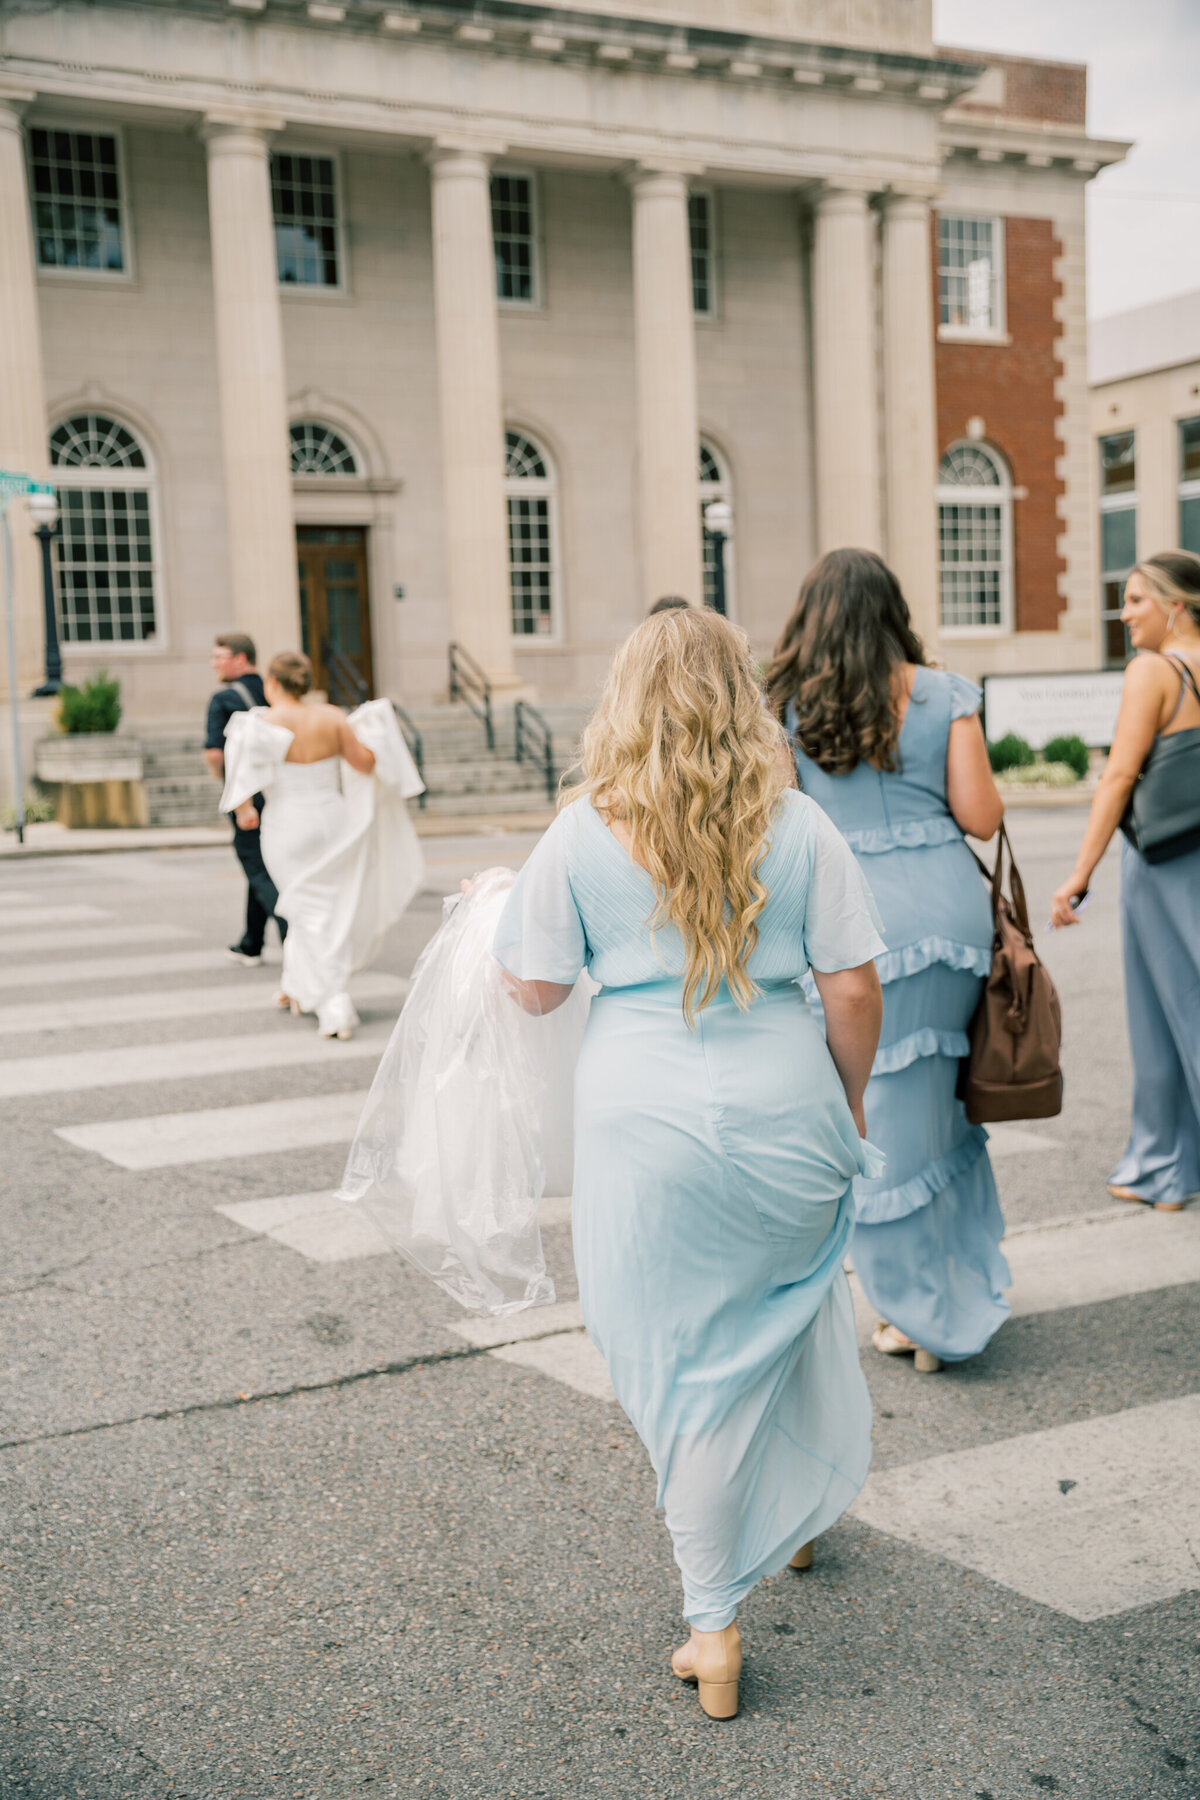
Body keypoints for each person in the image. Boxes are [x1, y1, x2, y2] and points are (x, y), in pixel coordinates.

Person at [491, 607, 886, 1719]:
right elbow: (853, 988)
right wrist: (848, 1107)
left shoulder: (580, 831)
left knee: (678, 1363)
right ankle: (796, 1516)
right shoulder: (798, 823)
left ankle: (714, 1626)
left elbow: (536, 988)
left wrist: (489, 931)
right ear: (740, 695)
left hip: (640, 1115)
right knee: (789, 1306)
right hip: (785, 1101)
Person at [768, 548, 1008, 1374]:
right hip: (946, 919)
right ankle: (953, 1281)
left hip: (848, 926)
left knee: (872, 1115)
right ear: (893, 610)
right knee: (941, 1112)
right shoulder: (944, 693)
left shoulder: (787, 707)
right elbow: (980, 817)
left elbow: (779, 826)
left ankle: (914, 1311)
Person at [1050, 550, 1200, 1211]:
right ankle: (1175, 1169)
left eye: (1137, 599)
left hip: (1163, 866)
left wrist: (1078, 875)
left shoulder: (1153, 670)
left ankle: (1167, 1169)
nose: (1125, 611)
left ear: (1176, 606)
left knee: (1163, 1021)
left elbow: (1117, 778)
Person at [219, 650, 426, 1040]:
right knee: (319, 906)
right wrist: (376, 734)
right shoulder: (332, 716)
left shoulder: (262, 722)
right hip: (333, 819)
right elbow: (364, 764)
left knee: (304, 906)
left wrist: (245, 809)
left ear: (274, 683)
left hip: (287, 824)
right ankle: (295, 985)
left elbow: (243, 776)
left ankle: (333, 1002)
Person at [204, 632, 287, 966]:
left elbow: (213, 754)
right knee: (263, 861)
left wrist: (228, 785)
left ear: (240, 658)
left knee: (256, 864)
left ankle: (290, 930)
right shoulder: (274, 692)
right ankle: (251, 942)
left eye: (219, 656)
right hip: (280, 790)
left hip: (247, 796)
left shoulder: (223, 698)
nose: (214, 664)